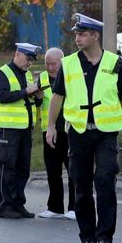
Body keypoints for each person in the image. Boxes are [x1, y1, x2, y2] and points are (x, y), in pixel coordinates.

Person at [45, 14, 122, 243]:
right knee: (81, 184)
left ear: (95, 35)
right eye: (76, 34)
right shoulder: (69, 63)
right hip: (78, 133)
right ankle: (87, 237)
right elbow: (57, 97)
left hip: (106, 133)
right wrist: (51, 126)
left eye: (82, 34)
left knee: (105, 180)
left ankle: (105, 237)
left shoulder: (115, 63)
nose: (77, 38)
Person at [0, 43, 42, 219]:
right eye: (28, 59)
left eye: (31, 61)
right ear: (17, 54)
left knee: (23, 168)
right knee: (8, 166)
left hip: (25, 127)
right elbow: (2, 96)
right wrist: (25, 92)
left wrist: (37, 97)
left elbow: (26, 100)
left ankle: (18, 203)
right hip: (9, 128)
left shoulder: (26, 74)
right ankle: (4, 206)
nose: (29, 63)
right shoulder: (2, 73)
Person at [37, 47, 76, 220]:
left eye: (54, 64)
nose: (50, 68)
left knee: (73, 170)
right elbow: (39, 103)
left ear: (62, 62)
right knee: (52, 171)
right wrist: (37, 97)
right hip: (49, 131)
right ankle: (55, 207)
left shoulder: (71, 76)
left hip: (70, 130)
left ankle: (74, 208)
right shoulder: (42, 78)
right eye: (47, 64)